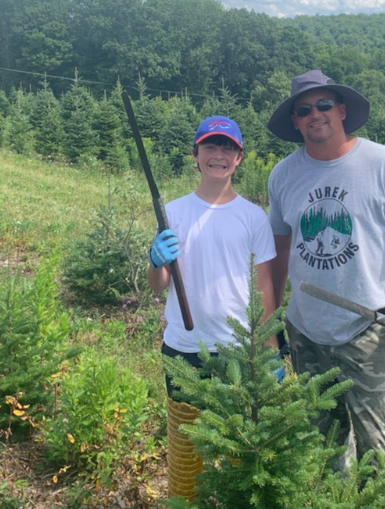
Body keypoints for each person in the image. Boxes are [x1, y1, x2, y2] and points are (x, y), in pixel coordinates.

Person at [266, 70, 385, 509]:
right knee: (325, 450)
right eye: (303, 110)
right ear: (296, 122)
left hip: (370, 331)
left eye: (323, 105)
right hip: (306, 332)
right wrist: (270, 333)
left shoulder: (384, 164)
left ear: (342, 110)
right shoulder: (284, 175)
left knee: (381, 452)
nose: (315, 115)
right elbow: (278, 254)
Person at [147, 115, 277, 499]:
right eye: (210, 146)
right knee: (187, 456)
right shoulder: (172, 213)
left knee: (240, 455)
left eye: (227, 148)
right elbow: (160, 288)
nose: (218, 155)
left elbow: (264, 287)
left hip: (239, 352)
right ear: (196, 154)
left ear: (239, 158)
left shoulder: (253, 217)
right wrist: (155, 262)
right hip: (184, 351)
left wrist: (269, 352)